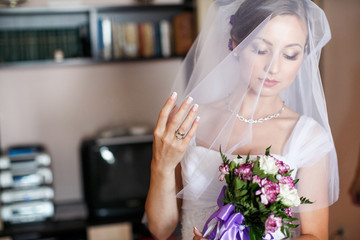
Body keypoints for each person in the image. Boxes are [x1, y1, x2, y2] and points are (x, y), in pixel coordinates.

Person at [145, 0, 339, 239]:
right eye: (260, 50)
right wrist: (161, 164)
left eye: (290, 54)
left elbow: (316, 235)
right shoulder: (192, 121)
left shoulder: (308, 137)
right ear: (236, 44)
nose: (274, 67)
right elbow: (160, 229)